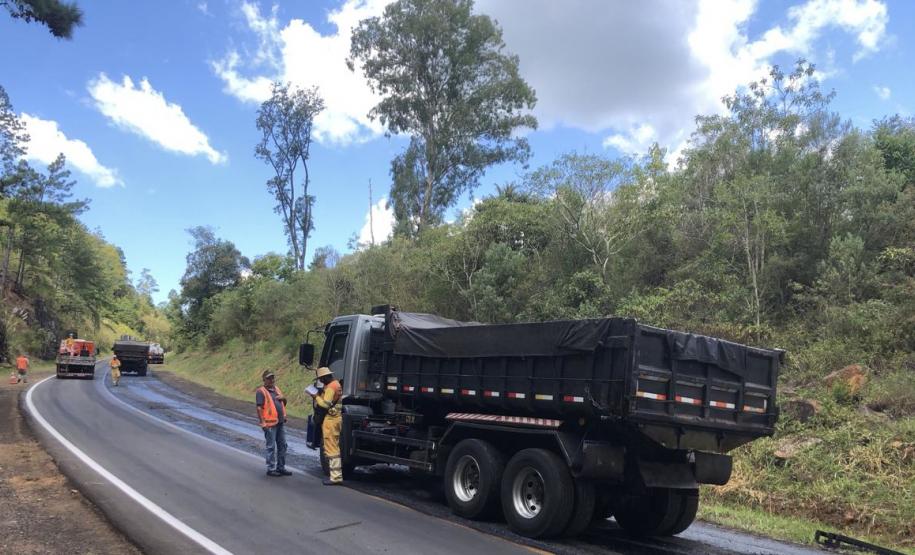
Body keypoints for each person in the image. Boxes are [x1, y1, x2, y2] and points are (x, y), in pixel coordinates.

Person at [310, 366, 343, 485]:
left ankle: (335, 477)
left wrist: (316, 397)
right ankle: (336, 475)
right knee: (335, 447)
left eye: (321, 379)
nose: (321, 381)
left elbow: (325, 405)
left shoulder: (330, 388)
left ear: (324, 377)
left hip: (331, 420)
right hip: (337, 418)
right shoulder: (337, 384)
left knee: (331, 448)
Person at [256, 370, 291, 477]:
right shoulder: (261, 391)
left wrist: (283, 398)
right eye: (269, 378)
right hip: (269, 424)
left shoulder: (277, 389)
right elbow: (259, 408)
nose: (271, 380)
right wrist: (263, 423)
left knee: (283, 445)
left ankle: (281, 468)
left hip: (280, 422)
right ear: (264, 380)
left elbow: (283, 402)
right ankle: (271, 469)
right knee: (271, 447)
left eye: (272, 378)